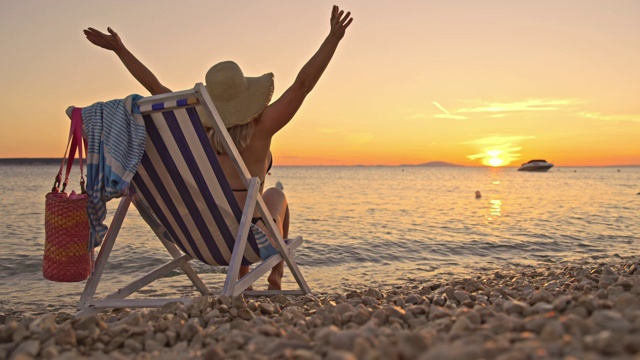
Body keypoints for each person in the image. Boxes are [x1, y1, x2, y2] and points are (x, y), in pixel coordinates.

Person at [83, 6, 353, 290]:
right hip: (250, 240)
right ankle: (275, 277)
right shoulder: (263, 128)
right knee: (273, 194)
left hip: (204, 237)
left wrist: (120, 49)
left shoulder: (194, 129)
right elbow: (302, 85)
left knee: (242, 208)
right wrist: (333, 37)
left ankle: (244, 282)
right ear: (247, 97)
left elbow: (153, 86)